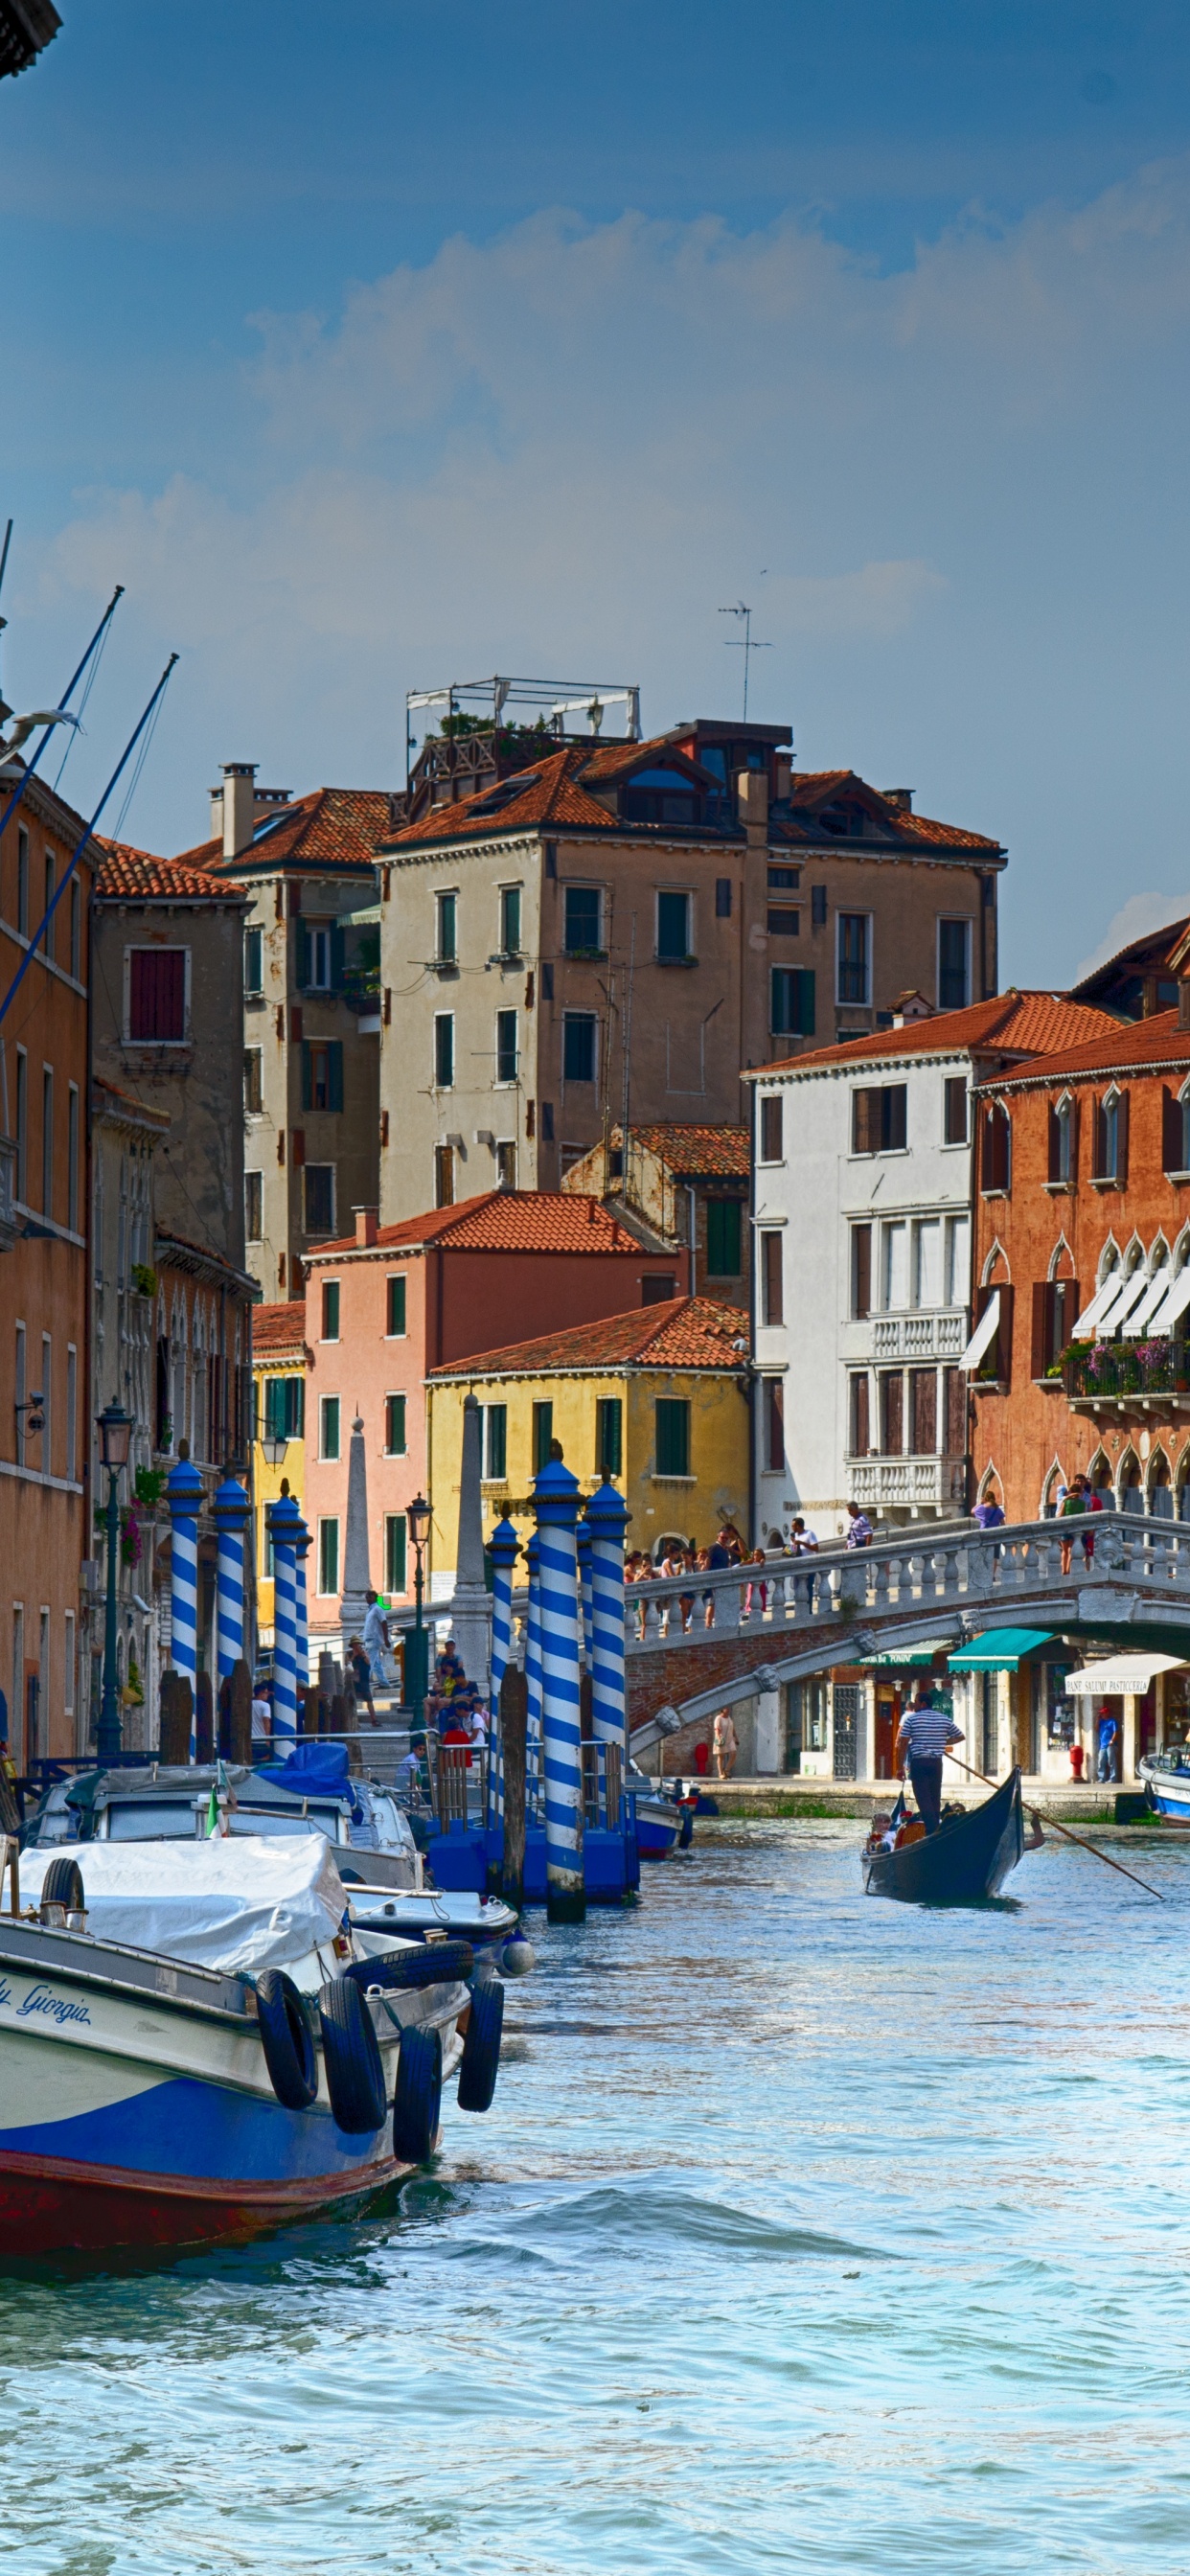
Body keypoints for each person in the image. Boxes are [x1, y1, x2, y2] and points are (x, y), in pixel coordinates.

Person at [895, 1684, 964, 1835]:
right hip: (936, 1763)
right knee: (934, 1797)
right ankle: (935, 1829)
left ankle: (932, 1831)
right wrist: (940, 1742)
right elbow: (960, 1736)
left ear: (923, 1704)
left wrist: (899, 1768)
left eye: (916, 1702)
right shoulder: (943, 1718)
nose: (914, 1705)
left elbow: (903, 1743)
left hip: (919, 1763)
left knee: (922, 1797)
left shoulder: (912, 1720)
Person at [362, 1590, 390, 1693]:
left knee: (368, 1662)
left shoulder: (378, 1609)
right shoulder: (370, 1611)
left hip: (374, 1639)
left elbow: (384, 1622)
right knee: (376, 1663)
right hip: (369, 1639)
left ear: (375, 1597)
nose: (368, 1598)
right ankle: (384, 1682)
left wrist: (386, 1638)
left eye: (370, 1596)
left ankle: (364, 1685)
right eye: (367, 1596)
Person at [349, 1635, 378, 1724]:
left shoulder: (364, 1653)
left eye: (358, 1644)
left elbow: (368, 1662)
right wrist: (354, 1655)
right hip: (354, 1681)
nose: (357, 1646)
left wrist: (362, 1654)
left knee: (369, 1700)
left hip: (364, 1680)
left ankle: (374, 1720)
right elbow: (348, 1664)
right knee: (352, 1701)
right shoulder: (349, 1654)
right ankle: (353, 1721)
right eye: (356, 1644)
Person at [712, 1706, 739, 1780]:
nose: (728, 1710)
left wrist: (736, 1737)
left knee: (734, 1753)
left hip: (730, 1739)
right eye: (726, 1708)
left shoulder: (729, 1718)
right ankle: (720, 1773)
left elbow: (733, 1728)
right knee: (721, 1756)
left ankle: (726, 1770)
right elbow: (717, 1729)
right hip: (722, 1739)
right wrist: (718, 1737)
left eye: (728, 1708)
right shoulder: (718, 1718)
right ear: (722, 1710)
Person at [1096, 1704, 1119, 1782]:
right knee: (1101, 1761)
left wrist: (1112, 1740)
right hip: (1103, 1745)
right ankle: (1101, 1778)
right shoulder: (1101, 1721)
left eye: (1103, 1713)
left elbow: (1116, 1732)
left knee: (1111, 1761)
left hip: (1111, 1745)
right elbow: (1096, 1729)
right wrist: (1097, 1720)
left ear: (1107, 1713)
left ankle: (1113, 1778)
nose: (1101, 1714)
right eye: (1101, 1713)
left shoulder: (1113, 1721)